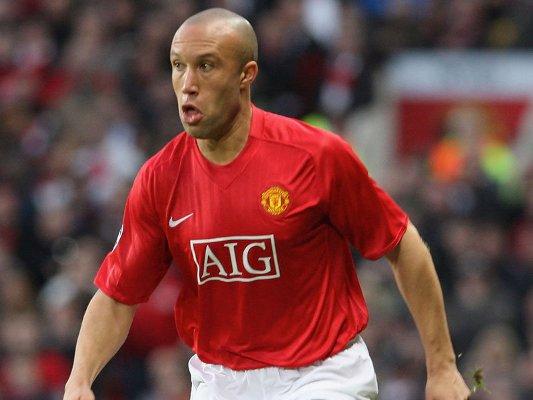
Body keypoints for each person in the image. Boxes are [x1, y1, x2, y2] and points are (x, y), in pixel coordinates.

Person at [64, 8, 471, 400]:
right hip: (219, 381)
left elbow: (402, 245)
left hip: (323, 375)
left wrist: (441, 366)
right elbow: (118, 296)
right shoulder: (160, 177)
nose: (187, 83)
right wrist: (79, 381)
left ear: (246, 75)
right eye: (177, 66)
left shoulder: (315, 156)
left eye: (206, 66)